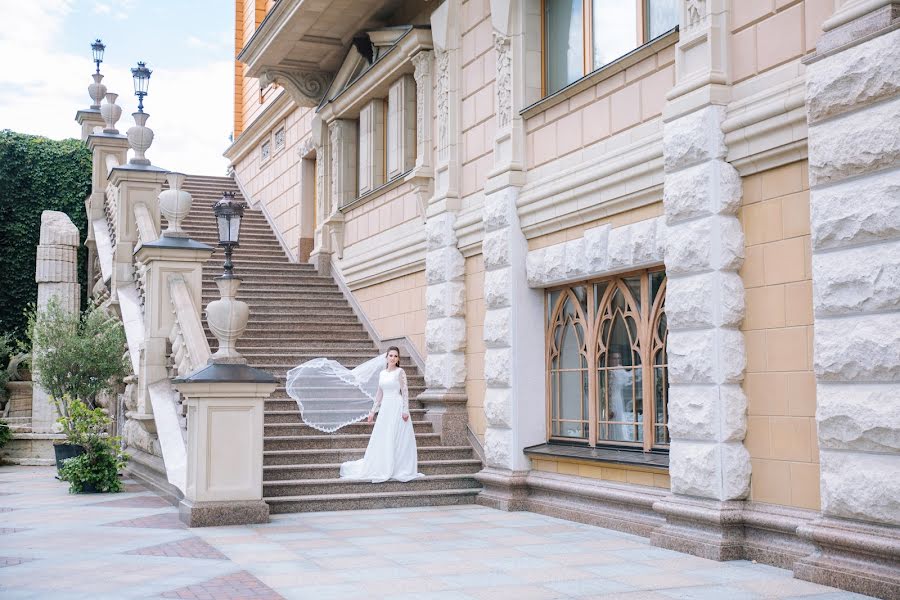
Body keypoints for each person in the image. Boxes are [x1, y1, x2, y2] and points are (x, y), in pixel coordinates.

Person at [339, 347, 423, 483]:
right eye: (391, 355)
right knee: (384, 436)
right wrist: (372, 411)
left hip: (397, 406)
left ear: (398, 359)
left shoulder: (400, 372)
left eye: (396, 356)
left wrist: (405, 410)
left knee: (396, 437)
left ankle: (398, 467)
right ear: (386, 357)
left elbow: (405, 392)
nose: (393, 358)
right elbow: (379, 393)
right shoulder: (382, 373)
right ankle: (382, 464)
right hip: (385, 409)